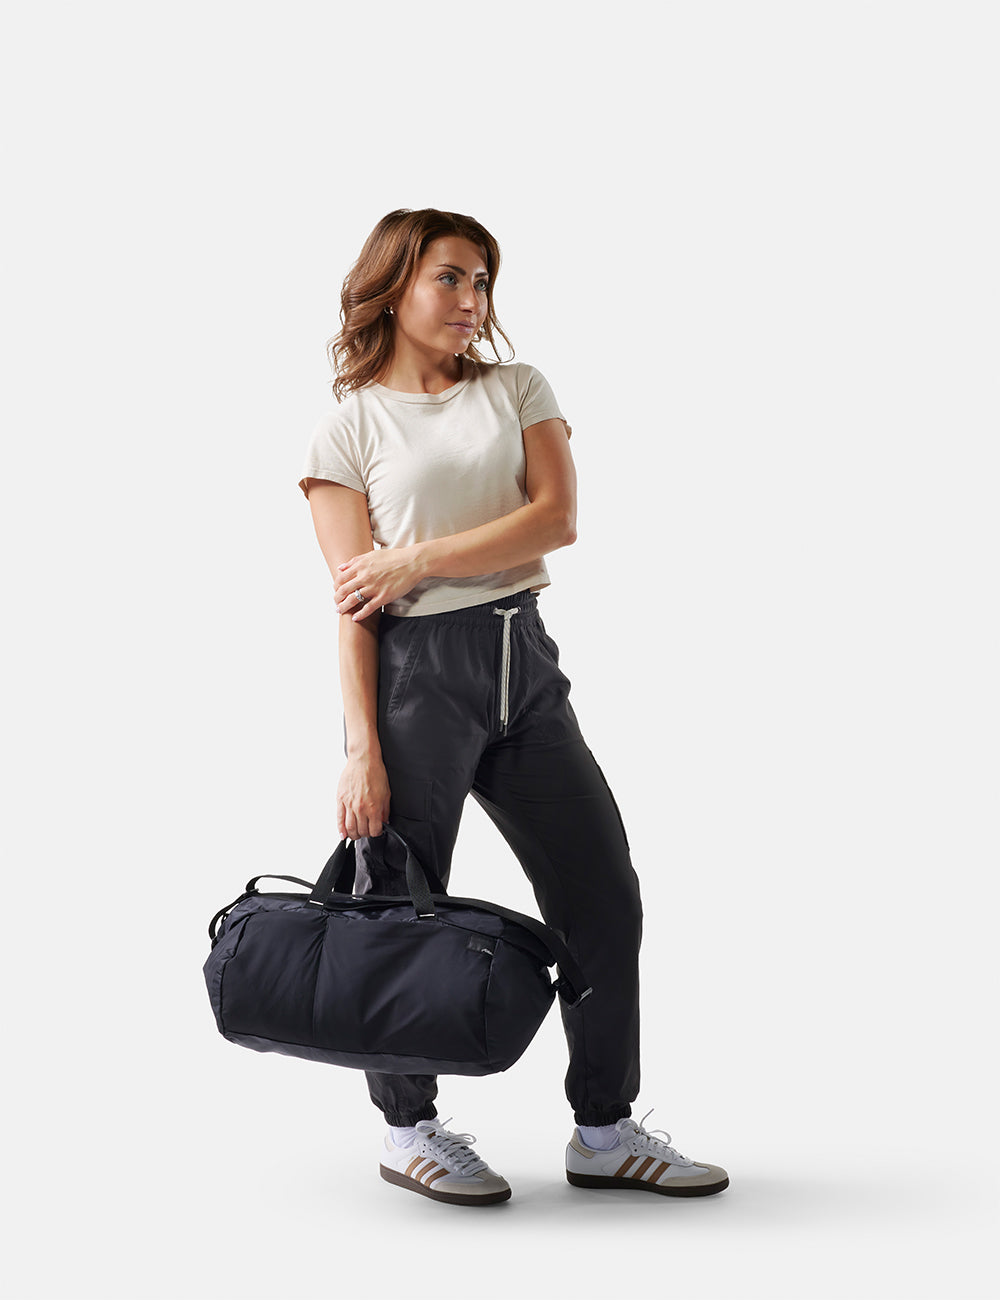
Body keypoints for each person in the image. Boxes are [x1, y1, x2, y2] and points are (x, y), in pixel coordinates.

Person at [298, 208, 728, 1206]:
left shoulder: (517, 388)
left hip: (522, 662)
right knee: (398, 907)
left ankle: (604, 1129)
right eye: (450, 277)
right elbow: (355, 605)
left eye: (483, 280)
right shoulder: (348, 426)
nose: (472, 299)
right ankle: (409, 1128)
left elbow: (556, 519)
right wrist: (361, 749)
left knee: (602, 895)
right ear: (394, 287)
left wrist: (413, 558)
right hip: (416, 675)